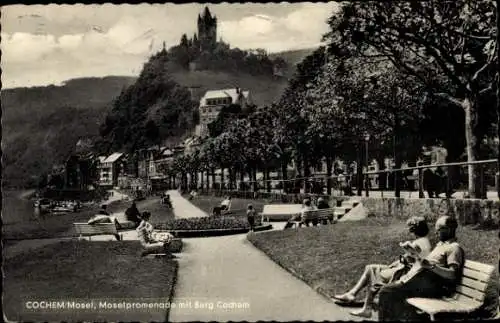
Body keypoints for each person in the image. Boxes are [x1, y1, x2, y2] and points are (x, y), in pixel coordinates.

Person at [333, 216, 432, 318]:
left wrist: (405, 255)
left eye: (410, 228)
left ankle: (365, 307)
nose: (409, 230)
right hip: (403, 269)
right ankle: (353, 295)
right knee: (370, 268)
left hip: (405, 273)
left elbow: (413, 261)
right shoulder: (424, 241)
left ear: (414, 230)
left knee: (374, 273)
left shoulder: (418, 243)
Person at [377, 215, 464, 321]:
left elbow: (452, 274)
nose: (436, 233)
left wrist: (431, 266)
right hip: (423, 281)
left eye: (439, 230)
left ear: (449, 229)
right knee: (388, 292)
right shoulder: (441, 245)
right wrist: (414, 257)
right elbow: (426, 263)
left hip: (435, 286)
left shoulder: (454, 248)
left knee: (386, 292)